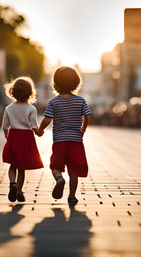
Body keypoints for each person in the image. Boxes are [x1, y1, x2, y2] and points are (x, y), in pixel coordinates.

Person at [37, 67, 91, 204]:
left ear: (55, 84)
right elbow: (87, 116)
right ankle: (72, 196)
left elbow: (47, 119)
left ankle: (59, 179)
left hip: (60, 141)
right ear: (76, 83)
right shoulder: (81, 101)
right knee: (74, 170)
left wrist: (40, 130)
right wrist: (83, 128)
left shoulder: (53, 102)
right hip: (76, 141)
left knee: (55, 165)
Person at [2, 76, 43, 202]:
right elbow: (34, 126)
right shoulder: (31, 109)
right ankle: (19, 190)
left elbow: (4, 126)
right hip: (26, 138)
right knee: (22, 167)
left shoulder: (9, 108)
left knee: (12, 164)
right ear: (30, 93)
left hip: (13, 136)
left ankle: (12, 183)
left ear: (12, 92)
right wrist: (39, 133)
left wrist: (7, 136)